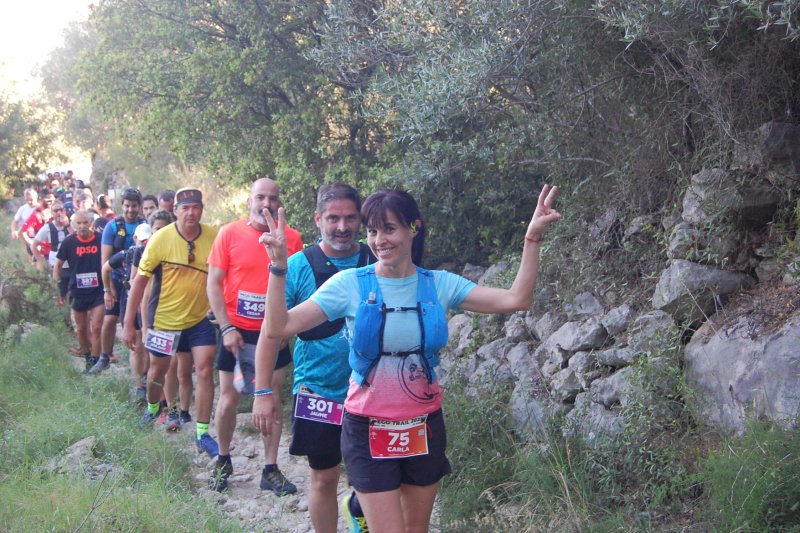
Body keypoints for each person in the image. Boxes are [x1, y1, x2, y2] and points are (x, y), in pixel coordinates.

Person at [257, 185, 560, 532]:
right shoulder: (349, 284)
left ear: (413, 228)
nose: (379, 240)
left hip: (423, 426)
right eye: (372, 231)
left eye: (389, 229)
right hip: (367, 427)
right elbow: (278, 327)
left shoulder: (439, 284)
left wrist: (532, 240)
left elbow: (516, 299)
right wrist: (278, 269)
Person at [252, 183, 375, 531]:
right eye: (333, 218)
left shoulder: (376, 259)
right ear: (318, 219)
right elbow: (270, 332)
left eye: (350, 218)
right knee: (323, 477)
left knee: (369, 479)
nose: (342, 227)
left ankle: (359, 521)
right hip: (319, 391)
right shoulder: (295, 266)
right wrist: (263, 393)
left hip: (372, 393)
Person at [206, 178, 303, 494]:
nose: (267, 203)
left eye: (273, 198)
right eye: (260, 197)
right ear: (248, 200)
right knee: (229, 398)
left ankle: (270, 468)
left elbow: (298, 285)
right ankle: (222, 459)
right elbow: (214, 284)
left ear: (279, 203)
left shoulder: (292, 238)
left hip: (274, 330)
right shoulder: (229, 233)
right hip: (237, 331)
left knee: (271, 396)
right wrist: (226, 327)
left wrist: (290, 325)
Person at [122, 188, 220, 457]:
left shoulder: (213, 237)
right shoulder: (160, 239)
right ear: (175, 210)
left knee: (204, 369)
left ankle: (202, 432)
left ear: (202, 210)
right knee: (158, 371)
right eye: (185, 207)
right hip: (164, 320)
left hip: (198, 320)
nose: (191, 212)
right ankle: (153, 408)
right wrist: (130, 324)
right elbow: (139, 283)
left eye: (196, 207)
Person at [92, 188, 146, 374]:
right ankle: (104, 356)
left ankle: (142, 364)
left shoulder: (145, 224)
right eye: (127, 206)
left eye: (134, 206)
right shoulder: (112, 226)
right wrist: (107, 289)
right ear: (122, 205)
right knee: (109, 319)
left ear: (139, 207)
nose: (130, 209)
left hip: (138, 281)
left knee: (140, 322)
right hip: (115, 278)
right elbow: (104, 260)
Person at [54, 210, 106, 372]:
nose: (82, 226)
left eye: (85, 222)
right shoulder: (69, 243)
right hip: (78, 291)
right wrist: (58, 290)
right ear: (73, 225)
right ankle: (87, 357)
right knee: (82, 329)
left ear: (90, 223)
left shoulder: (100, 239)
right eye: (79, 223)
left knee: (97, 327)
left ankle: (95, 363)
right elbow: (57, 265)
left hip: (98, 290)